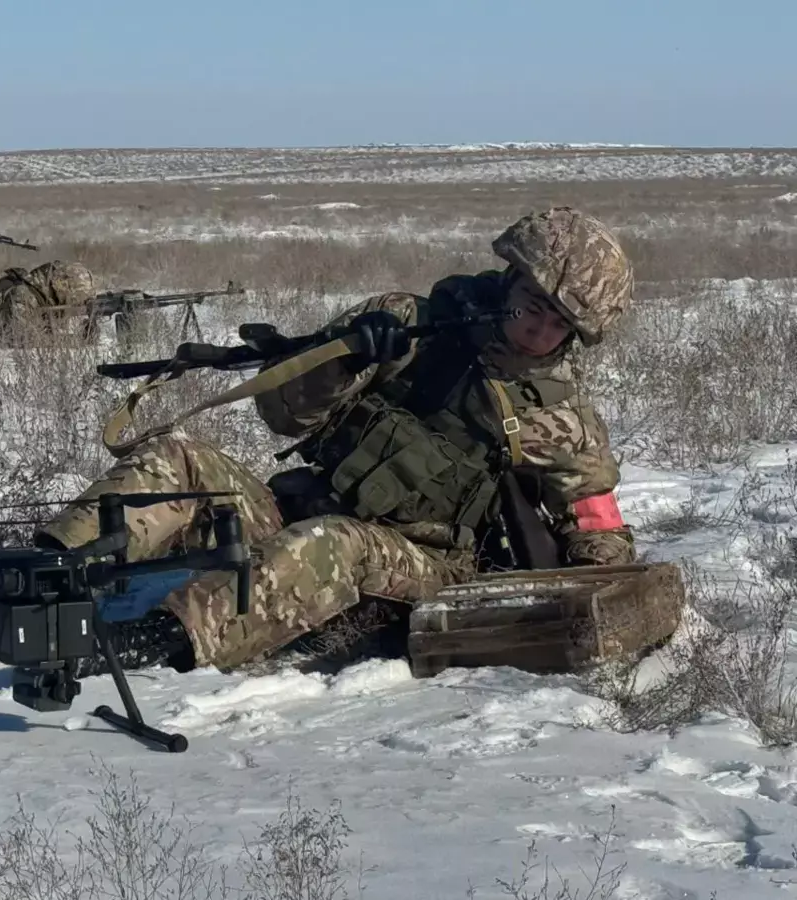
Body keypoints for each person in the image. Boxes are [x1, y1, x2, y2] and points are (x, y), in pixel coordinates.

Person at [34, 206, 637, 677]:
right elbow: (282, 415)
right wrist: (343, 360)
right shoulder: (407, 322)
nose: (538, 328)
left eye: (559, 322)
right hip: (304, 509)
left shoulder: (564, 421)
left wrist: (587, 606)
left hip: (421, 567)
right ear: (510, 281)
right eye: (533, 305)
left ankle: (153, 640)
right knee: (179, 455)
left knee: (334, 543)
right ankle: (40, 574)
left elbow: (598, 529)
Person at [0, 260, 96, 329]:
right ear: (61, 286)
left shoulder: (45, 297)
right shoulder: (23, 294)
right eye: (75, 298)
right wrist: (77, 340)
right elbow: (24, 339)